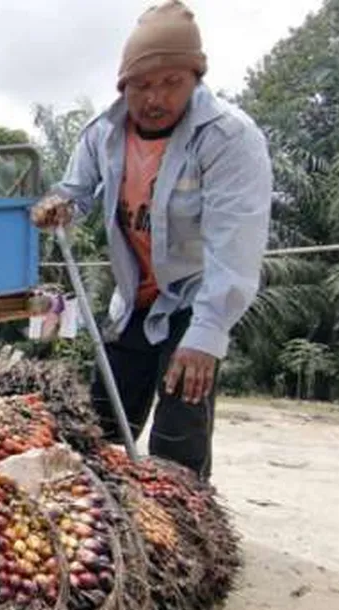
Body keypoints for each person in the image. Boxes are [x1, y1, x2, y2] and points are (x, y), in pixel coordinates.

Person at [30, 0, 272, 480]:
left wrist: (206, 335)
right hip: (134, 299)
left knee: (176, 440)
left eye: (171, 83)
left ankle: (186, 532)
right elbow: (74, 190)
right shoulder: (103, 133)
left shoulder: (228, 138)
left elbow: (235, 245)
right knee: (95, 427)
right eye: (141, 85)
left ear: (196, 78)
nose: (154, 98)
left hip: (195, 299)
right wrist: (57, 205)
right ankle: (105, 523)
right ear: (123, 84)